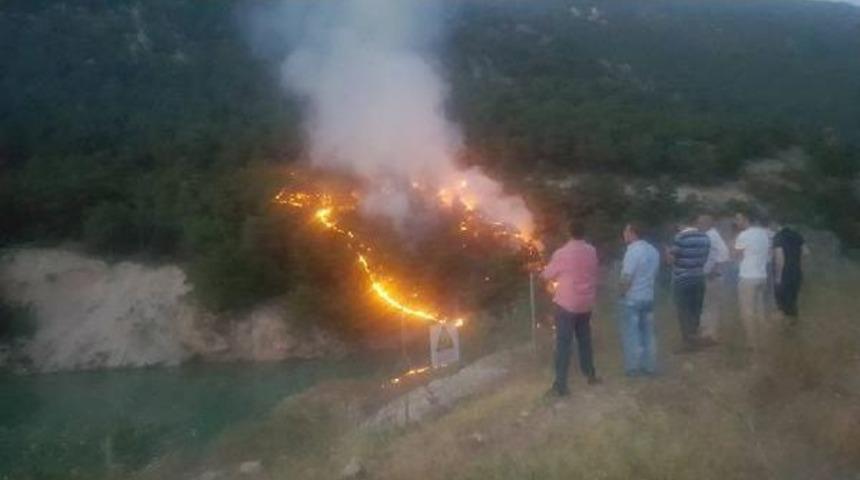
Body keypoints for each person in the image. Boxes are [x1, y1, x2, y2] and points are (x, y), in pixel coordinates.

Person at [541, 219, 600, 396]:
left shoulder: (562, 253)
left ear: (569, 233)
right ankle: (590, 375)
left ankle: (561, 384)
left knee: (563, 343)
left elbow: (547, 275)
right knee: (585, 340)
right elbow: (594, 271)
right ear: (584, 233)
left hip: (567, 304)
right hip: (586, 303)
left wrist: (543, 272)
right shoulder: (591, 251)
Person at [618, 221, 661, 376]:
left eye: (626, 231)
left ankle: (633, 367)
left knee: (632, 334)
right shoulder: (653, 250)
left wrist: (621, 293)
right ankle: (650, 366)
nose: (624, 234)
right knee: (648, 333)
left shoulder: (633, 251)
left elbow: (627, 277)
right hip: (648, 296)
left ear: (633, 233)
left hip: (633, 298)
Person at [666, 216, 711, 352]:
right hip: (699, 277)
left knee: (684, 311)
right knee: (695, 310)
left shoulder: (680, 238)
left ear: (682, 223)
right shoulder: (705, 237)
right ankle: (694, 337)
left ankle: (687, 342)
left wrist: (667, 251)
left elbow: (671, 260)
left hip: (683, 278)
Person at [734, 211, 772, 350]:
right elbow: (769, 254)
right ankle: (764, 340)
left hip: (748, 276)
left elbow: (736, 255)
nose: (736, 222)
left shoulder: (743, 235)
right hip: (762, 276)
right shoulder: (765, 234)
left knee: (747, 311)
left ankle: (752, 343)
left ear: (746, 219)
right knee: (760, 310)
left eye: (738, 219)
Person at [698, 214, 730, 343]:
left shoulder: (710, 236)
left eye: (701, 223)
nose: (699, 226)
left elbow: (723, 254)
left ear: (708, 223)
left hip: (712, 276)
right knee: (710, 305)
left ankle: (710, 335)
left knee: (710, 305)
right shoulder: (712, 235)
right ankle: (708, 333)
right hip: (713, 275)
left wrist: (713, 270)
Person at [772, 221, 806, 321]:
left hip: (784, 274)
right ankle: (794, 324)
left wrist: (778, 277)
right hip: (796, 272)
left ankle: (785, 326)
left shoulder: (778, 236)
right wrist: (800, 267)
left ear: (777, 225)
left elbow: (779, 258)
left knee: (783, 303)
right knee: (793, 300)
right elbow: (806, 252)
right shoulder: (797, 235)